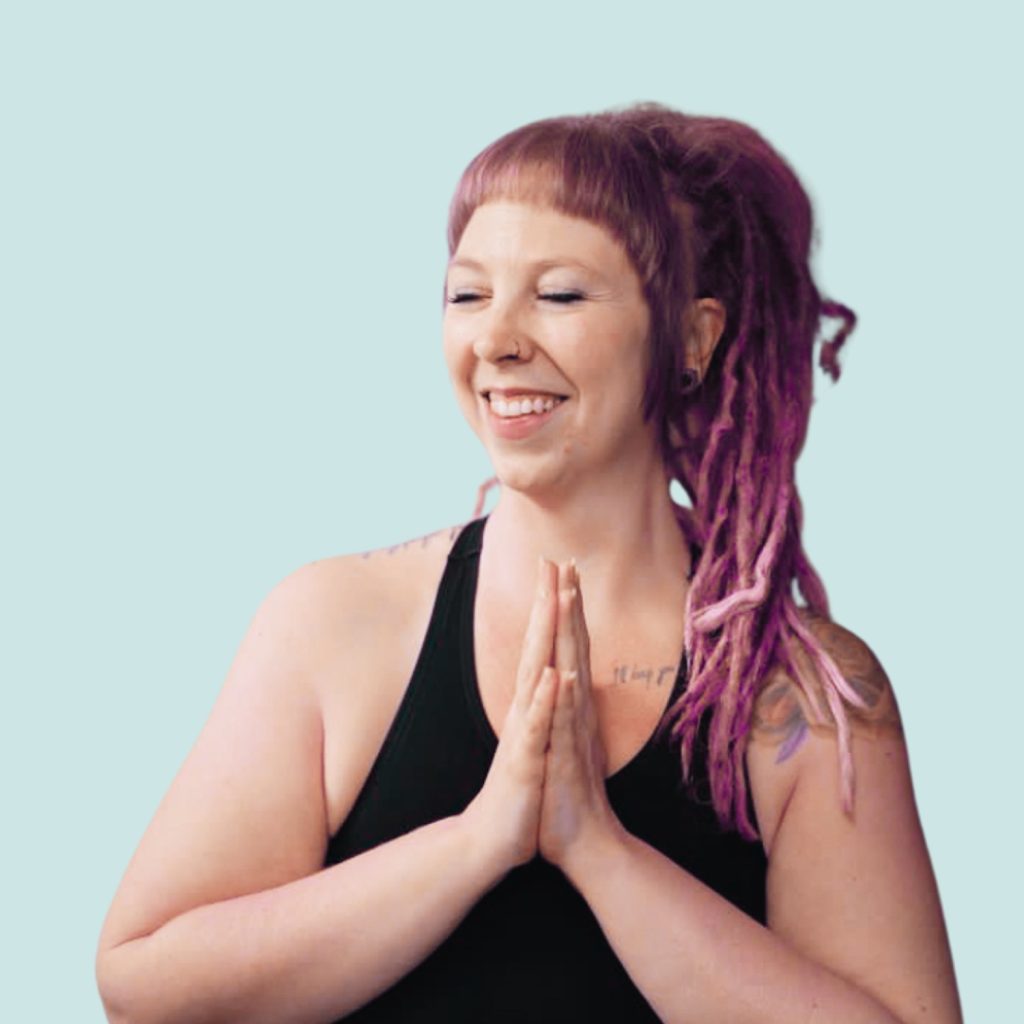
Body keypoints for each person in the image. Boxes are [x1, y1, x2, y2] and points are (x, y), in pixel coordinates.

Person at [95, 101, 962, 1023]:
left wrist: (601, 852)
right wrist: (476, 843)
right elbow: (145, 984)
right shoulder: (334, 623)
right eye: (468, 293)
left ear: (693, 339)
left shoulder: (806, 696)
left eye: (559, 294)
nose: (497, 339)